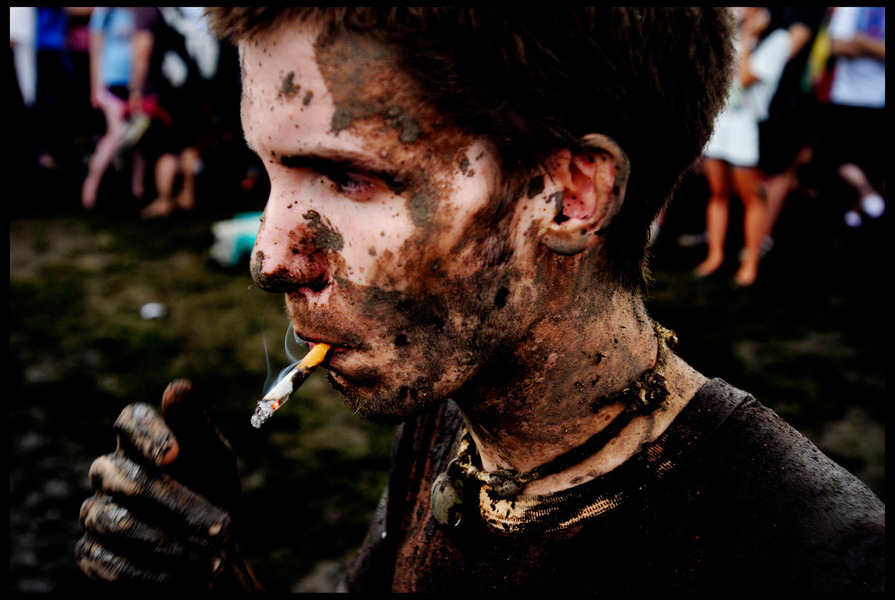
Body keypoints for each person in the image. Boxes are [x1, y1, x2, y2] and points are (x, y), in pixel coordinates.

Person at [75, 8, 885, 593]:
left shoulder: (814, 558)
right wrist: (209, 574)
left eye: (347, 176)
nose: (269, 257)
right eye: (272, 172)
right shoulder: (452, 418)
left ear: (566, 196)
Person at [695, 7, 796, 286]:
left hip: (748, 124)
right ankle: (715, 255)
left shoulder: (779, 40)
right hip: (722, 120)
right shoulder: (731, 33)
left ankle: (750, 261)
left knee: (750, 195)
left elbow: (745, 78)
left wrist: (748, 38)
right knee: (717, 191)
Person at [817, 7, 885, 228]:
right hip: (843, 96)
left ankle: (859, 212)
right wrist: (876, 47)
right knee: (832, 159)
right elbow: (837, 45)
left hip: (878, 100)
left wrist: (859, 41)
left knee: (870, 166)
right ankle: (866, 194)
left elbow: (848, 43)